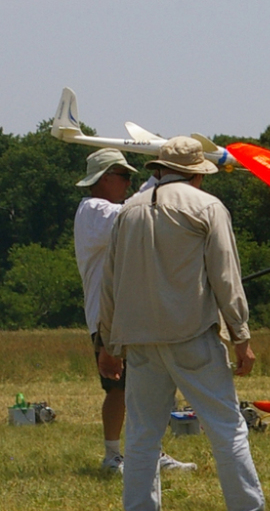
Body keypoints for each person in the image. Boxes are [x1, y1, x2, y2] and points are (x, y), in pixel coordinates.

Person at [97, 137, 270, 511]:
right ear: (197, 173)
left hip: (139, 342)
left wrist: (108, 341)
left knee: (142, 437)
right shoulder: (207, 207)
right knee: (228, 431)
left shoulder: (127, 210)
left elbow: (108, 283)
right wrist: (241, 335)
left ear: (159, 169)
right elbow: (226, 276)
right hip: (192, 336)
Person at [73, 148, 196, 475]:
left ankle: (152, 453)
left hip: (131, 314)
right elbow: (133, 213)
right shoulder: (93, 210)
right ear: (104, 179)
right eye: (124, 176)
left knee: (147, 387)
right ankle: (113, 455)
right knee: (118, 388)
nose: (128, 182)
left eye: (131, 177)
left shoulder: (109, 210)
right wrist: (160, 178)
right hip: (107, 316)